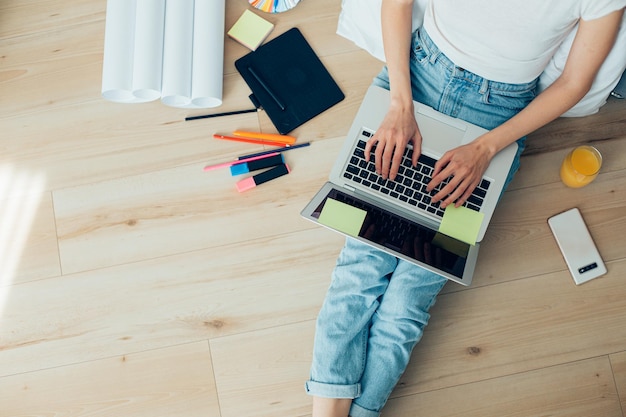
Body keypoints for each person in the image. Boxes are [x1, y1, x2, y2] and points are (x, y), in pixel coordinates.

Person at [305, 1, 626, 416]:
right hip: (415, 77)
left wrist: (485, 148)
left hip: (498, 117)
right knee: (362, 266)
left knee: (410, 296)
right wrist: (401, 106)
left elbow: (575, 83)